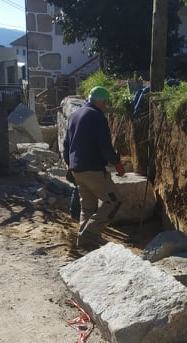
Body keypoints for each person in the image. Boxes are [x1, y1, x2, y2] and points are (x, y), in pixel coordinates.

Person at [63, 86, 126, 250]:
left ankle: (83, 241)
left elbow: (66, 145)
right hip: (93, 169)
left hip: (77, 169)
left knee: (88, 206)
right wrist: (117, 164)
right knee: (114, 201)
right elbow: (104, 146)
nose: (106, 107)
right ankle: (90, 232)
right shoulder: (97, 117)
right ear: (101, 102)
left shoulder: (74, 115)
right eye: (106, 104)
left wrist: (70, 165)